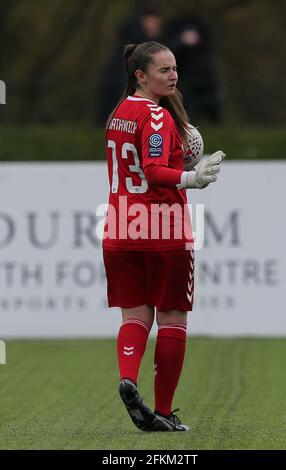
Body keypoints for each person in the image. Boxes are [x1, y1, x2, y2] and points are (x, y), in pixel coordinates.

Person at [102, 41, 225, 432]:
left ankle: (127, 378)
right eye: (163, 70)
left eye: (174, 69)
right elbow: (155, 170)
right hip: (163, 227)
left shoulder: (119, 112)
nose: (173, 75)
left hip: (121, 226)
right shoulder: (156, 116)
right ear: (140, 75)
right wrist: (193, 176)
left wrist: (179, 151)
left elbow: (147, 161)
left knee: (135, 314)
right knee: (172, 319)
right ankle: (165, 412)